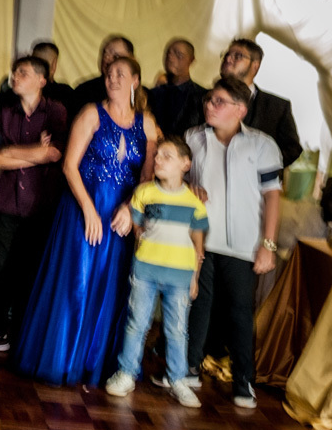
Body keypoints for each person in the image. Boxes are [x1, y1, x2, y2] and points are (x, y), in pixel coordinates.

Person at [15, 56, 157, 386]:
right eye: (109, 74)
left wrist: (132, 209)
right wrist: (89, 209)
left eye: (121, 74)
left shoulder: (146, 123)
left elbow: (148, 176)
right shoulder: (91, 113)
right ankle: (63, 359)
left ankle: (95, 364)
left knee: (111, 284)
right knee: (76, 281)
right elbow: (69, 166)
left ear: (136, 80)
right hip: (84, 208)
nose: (113, 79)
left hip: (121, 212)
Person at [183, 78, 283, 409]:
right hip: (201, 239)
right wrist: (189, 190)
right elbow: (177, 181)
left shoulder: (262, 145)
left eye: (219, 102)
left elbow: (272, 196)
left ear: (240, 109)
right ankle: (190, 367)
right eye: (209, 100)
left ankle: (243, 381)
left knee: (240, 311)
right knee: (197, 304)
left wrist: (268, 243)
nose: (209, 105)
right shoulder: (193, 138)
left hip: (243, 244)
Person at [0, 55, 66, 354]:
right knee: (2, 269)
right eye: (15, 71)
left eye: (23, 72)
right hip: (8, 201)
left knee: (30, 270)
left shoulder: (55, 112)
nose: (15, 76)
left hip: (40, 203)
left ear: (42, 80)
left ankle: (24, 336)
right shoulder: (5, 112)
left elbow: (55, 154)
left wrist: (13, 152)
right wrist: (35, 152)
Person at [105, 137, 207, 408]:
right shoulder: (144, 193)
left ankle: (177, 380)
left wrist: (195, 277)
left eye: (167, 156)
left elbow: (198, 241)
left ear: (186, 164)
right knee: (137, 323)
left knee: (176, 330)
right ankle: (126, 373)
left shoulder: (194, 202)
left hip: (180, 275)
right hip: (146, 271)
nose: (158, 159)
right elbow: (137, 228)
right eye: (157, 155)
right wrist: (141, 252)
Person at [205, 38, 301, 168]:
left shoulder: (278, 107)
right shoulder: (204, 99)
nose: (228, 59)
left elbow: (292, 149)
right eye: (226, 55)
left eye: (237, 56)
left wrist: (261, 168)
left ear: (255, 65)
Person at [147, 38, 206, 139]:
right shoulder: (153, 94)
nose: (171, 58)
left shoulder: (202, 96)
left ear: (191, 60)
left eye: (178, 54)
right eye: (168, 54)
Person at [70, 35, 133, 118]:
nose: (107, 59)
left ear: (131, 59)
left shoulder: (145, 96)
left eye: (115, 56)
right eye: (105, 53)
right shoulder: (84, 92)